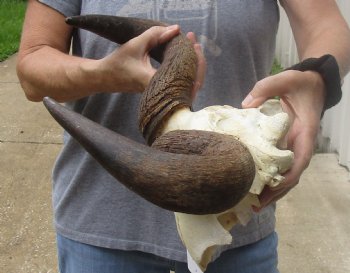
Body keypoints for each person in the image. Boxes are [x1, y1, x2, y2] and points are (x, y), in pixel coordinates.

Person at [17, 0, 350, 272]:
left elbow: (327, 27)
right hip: (101, 239)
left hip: (237, 234)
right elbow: (33, 64)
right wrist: (104, 73)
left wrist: (318, 79)